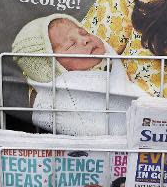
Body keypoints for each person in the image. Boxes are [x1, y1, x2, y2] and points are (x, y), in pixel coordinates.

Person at [11, 13, 143, 135]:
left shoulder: (110, 63)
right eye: (71, 45)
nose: (85, 40)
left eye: (84, 33)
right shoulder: (65, 89)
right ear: (54, 66)